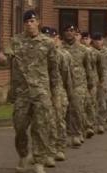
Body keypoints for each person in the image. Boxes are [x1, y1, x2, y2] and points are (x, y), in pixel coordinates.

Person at [0, 10, 59, 173]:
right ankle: (24, 155)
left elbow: (54, 70)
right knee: (20, 127)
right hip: (22, 92)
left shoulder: (48, 43)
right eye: (27, 22)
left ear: (38, 22)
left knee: (41, 127)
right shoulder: (16, 41)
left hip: (41, 92)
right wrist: (1, 57)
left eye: (32, 21)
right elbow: (4, 55)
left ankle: (39, 162)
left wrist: (55, 93)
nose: (29, 24)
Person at [41, 27, 73, 162]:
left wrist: (67, 93)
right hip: (43, 91)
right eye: (45, 37)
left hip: (58, 91)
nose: (48, 40)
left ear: (55, 38)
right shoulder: (40, 54)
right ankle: (45, 150)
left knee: (58, 120)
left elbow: (66, 76)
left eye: (50, 37)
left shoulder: (63, 55)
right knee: (43, 121)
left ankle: (58, 148)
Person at [61, 24, 92, 148]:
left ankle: (77, 133)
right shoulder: (59, 48)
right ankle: (65, 135)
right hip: (62, 84)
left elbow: (88, 68)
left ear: (75, 33)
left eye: (71, 30)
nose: (69, 33)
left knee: (77, 108)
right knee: (64, 110)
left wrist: (90, 85)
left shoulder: (83, 50)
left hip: (79, 84)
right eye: (67, 30)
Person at [91, 32, 107, 134]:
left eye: (99, 40)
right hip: (92, 80)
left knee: (102, 102)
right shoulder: (89, 52)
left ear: (103, 40)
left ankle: (101, 123)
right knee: (91, 103)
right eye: (95, 40)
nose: (98, 42)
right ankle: (92, 123)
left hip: (103, 80)